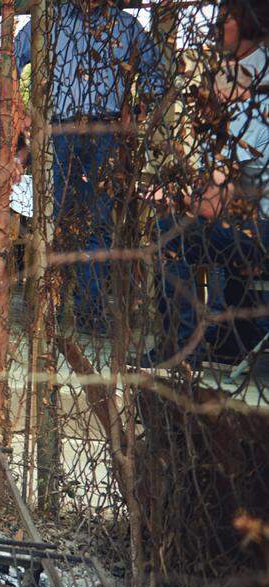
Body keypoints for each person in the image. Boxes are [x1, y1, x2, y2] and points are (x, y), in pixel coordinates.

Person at [15, 0, 164, 334]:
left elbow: (157, 74)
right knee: (57, 220)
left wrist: (136, 112)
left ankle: (88, 311)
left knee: (98, 223)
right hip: (60, 131)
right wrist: (20, 112)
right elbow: (10, 58)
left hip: (108, 133)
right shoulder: (48, 20)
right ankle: (48, 307)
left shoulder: (125, 25)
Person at [147, 0, 268, 368]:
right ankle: (239, 335)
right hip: (250, 221)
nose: (217, 29)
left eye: (225, 19)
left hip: (261, 230)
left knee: (171, 234)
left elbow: (213, 202)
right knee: (210, 230)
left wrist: (174, 196)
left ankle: (180, 349)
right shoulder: (241, 104)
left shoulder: (254, 103)